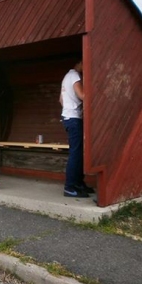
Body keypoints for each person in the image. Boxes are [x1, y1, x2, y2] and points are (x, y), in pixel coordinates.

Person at [60, 60, 95, 198]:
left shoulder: (66, 77)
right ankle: (70, 187)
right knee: (76, 153)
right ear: (80, 63)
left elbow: (61, 100)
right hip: (74, 119)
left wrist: (69, 106)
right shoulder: (74, 75)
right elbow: (82, 95)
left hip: (68, 117)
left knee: (78, 152)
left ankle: (78, 183)